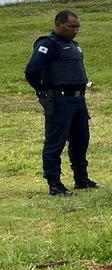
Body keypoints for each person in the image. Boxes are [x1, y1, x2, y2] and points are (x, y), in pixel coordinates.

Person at [25, 10, 98, 196]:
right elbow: (32, 70)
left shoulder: (74, 46)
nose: (75, 30)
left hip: (78, 99)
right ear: (58, 24)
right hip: (60, 99)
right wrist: (43, 91)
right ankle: (54, 183)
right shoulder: (47, 45)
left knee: (80, 140)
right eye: (71, 26)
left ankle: (81, 179)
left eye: (77, 27)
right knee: (55, 142)